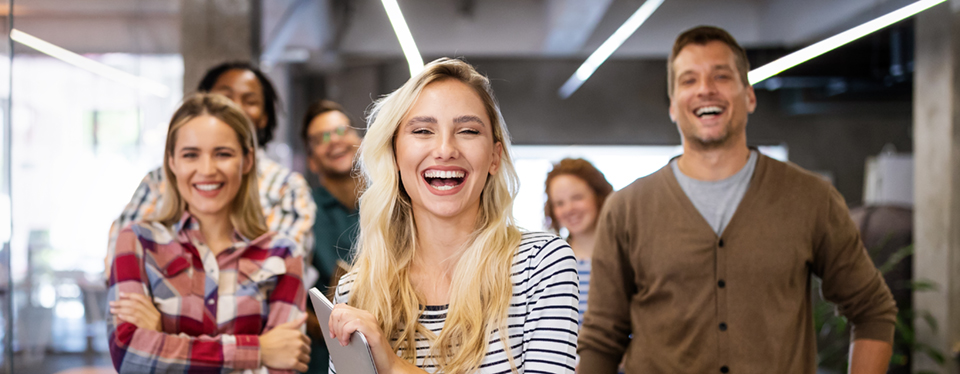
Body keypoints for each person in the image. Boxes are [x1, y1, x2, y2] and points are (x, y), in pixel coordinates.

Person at [577, 26, 898, 374]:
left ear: (749, 96)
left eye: (721, 76)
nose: (705, 89)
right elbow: (601, 340)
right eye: (688, 80)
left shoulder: (810, 198)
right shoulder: (626, 210)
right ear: (672, 106)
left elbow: (872, 311)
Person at [326, 58, 579, 374]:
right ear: (394, 155)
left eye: (468, 130)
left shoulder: (541, 266)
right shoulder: (357, 292)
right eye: (422, 130)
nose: (445, 149)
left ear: (494, 157)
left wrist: (392, 367)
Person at [107, 93, 310, 373]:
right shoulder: (137, 241)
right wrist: (260, 350)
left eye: (223, 154)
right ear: (172, 162)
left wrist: (162, 339)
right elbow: (130, 356)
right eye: (191, 155)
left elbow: (284, 363)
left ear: (247, 161)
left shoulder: (283, 254)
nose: (207, 170)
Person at [105, 61, 316, 277]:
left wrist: (168, 290)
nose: (206, 170)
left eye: (249, 100)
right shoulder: (158, 180)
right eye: (225, 96)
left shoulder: (287, 186)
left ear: (264, 116)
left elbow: (281, 274)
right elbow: (120, 261)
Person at [299, 100, 364, 374]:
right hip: (326, 354)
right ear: (312, 160)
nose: (335, 140)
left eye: (342, 130)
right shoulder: (302, 212)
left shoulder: (394, 202)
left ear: (359, 139)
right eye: (322, 137)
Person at [544, 158, 613, 325]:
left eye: (577, 198)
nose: (569, 209)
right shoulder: (548, 263)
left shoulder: (625, 258)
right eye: (559, 203)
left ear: (599, 196)